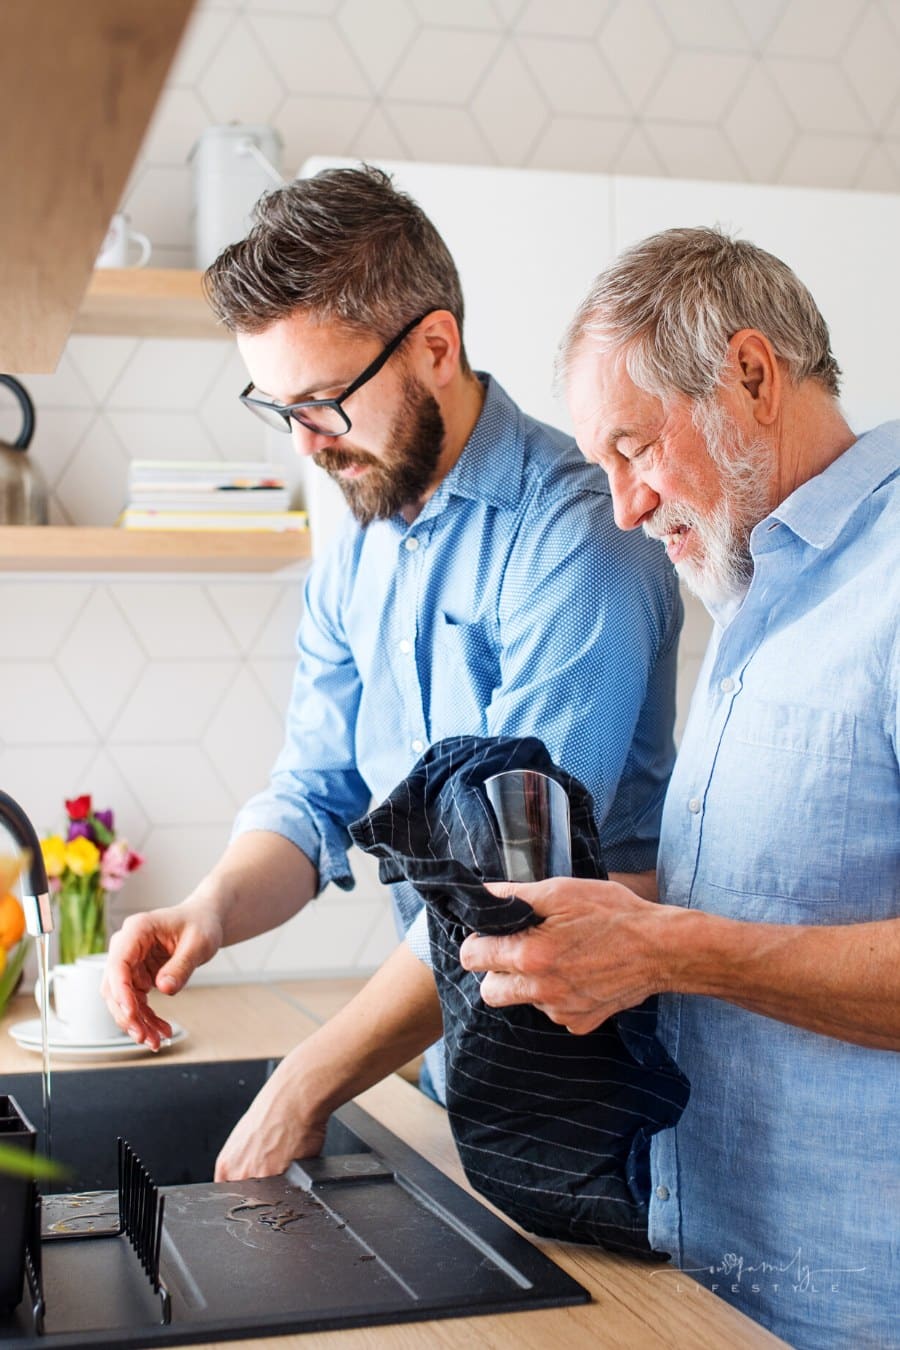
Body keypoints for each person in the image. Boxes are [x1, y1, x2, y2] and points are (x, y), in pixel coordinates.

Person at [103, 166, 681, 1176]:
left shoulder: (576, 536)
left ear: (435, 347)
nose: (306, 444)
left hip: (604, 1091)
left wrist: (308, 1078)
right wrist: (212, 909)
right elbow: (314, 791)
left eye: (324, 403)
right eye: (277, 407)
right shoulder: (361, 550)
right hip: (462, 1059)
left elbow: (510, 886)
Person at [458, 226, 900, 1350]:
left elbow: (711, 944)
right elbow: (787, 891)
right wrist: (588, 918)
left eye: (635, 447)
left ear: (751, 375)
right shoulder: (752, 591)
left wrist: (664, 949)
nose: (622, 507)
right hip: (717, 1280)